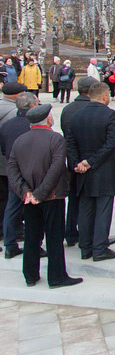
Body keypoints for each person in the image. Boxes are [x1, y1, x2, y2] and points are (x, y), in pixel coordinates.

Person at [7, 104, 81, 288]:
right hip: (51, 196)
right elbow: (56, 169)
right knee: (54, 237)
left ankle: (30, 275)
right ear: (48, 119)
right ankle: (56, 277)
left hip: (29, 197)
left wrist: (26, 192)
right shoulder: (55, 139)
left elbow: (12, 170)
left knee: (32, 236)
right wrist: (40, 193)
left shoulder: (20, 140)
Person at [64, 82, 115, 261]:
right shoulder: (110, 115)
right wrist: (90, 162)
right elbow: (109, 144)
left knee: (85, 208)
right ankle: (100, 248)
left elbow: (70, 143)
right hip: (103, 169)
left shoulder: (75, 115)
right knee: (103, 209)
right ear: (105, 97)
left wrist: (77, 164)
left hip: (81, 170)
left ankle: (85, 247)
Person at [61, 76, 98, 247]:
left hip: (73, 162)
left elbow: (67, 138)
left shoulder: (67, 109)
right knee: (90, 201)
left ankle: (70, 233)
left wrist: (75, 162)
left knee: (74, 199)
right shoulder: (95, 109)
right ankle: (89, 236)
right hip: (92, 162)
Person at [0, 92, 37, 258]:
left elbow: (3, 149)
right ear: (31, 106)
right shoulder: (32, 125)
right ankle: (35, 245)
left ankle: (9, 244)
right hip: (31, 171)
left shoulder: (7, 125)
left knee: (12, 207)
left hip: (13, 171)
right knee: (32, 210)